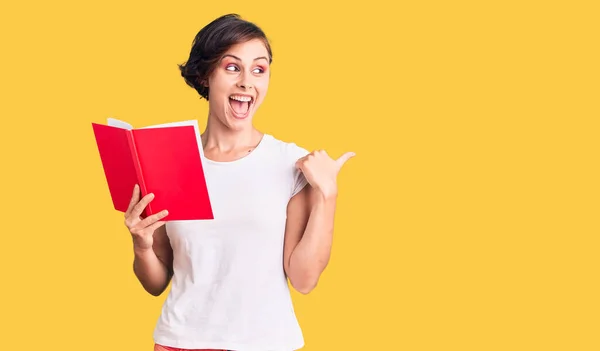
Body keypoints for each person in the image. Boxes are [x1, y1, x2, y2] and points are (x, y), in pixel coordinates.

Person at [123, 13, 355, 351]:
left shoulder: (289, 163)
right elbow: (156, 282)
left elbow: (304, 280)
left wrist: (327, 194)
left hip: (265, 343)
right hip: (180, 342)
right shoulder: (170, 161)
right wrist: (141, 245)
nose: (247, 82)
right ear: (205, 76)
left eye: (258, 70)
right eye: (232, 67)